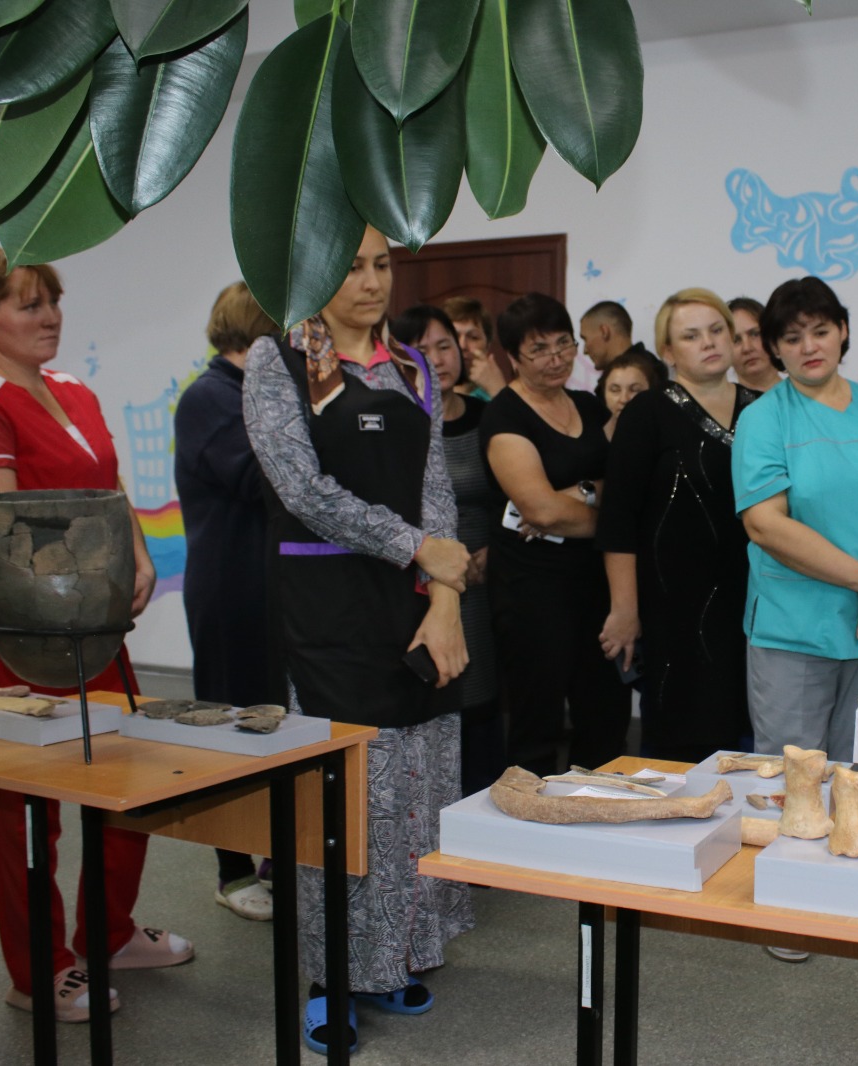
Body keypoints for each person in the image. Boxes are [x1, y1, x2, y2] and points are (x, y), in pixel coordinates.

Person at [0, 248, 191, 1024]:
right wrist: (98, 570)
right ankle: (36, 970)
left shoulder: (73, 389)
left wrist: (136, 551)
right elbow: (3, 532)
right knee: (24, 810)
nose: (50, 318)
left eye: (53, 302)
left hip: (86, 627)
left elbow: (108, 485)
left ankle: (107, 933)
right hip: (2, 636)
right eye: (29, 305)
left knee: (125, 777)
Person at [244, 226, 474, 1055]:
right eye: (351, 266)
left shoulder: (410, 366)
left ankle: (392, 957)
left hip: (413, 603)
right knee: (344, 803)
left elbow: (436, 491)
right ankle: (328, 976)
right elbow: (302, 489)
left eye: (381, 265)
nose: (372, 282)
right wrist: (415, 548)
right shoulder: (281, 360)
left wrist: (445, 599)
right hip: (329, 606)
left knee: (418, 788)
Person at [732, 276, 858, 764]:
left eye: (821, 331)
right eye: (792, 338)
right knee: (792, 777)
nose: (809, 347)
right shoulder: (764, 418)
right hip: (795, 631)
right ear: (775, 349)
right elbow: (765, 524)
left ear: (843, 331)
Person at [598, 288, 758, 762]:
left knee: (755, 745)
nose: (708, 342)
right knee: (680, 748)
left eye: (716, 330)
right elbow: (618, 517)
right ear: (668, 351)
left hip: (758, 600)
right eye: (691, 336)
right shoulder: (647, 412)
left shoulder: (765, 408)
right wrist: (624, 609)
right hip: (671, 606)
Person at [480, 293, 632, 776]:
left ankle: (600, 811)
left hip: (596, 587)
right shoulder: (504, 416)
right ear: (513, 357)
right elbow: (540, 510)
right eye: (539, 349)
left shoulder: (588, 405)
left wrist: (582, 491)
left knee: (605, 718)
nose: (556, 358)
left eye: (564, 343)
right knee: (537, 723)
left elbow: (622, 482)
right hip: (531, 593)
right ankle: (530, 817)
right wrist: (614, 522)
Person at [175, 281, 280, 922]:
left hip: (273, 588)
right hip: (230, 589)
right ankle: (232, 869)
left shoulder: (260, 392)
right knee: (230, 729)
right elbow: (258, 477)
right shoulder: (209, 397)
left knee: (276, 724)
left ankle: (273, 853)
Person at [389, 303, 506, 797]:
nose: (437, 359)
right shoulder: (396, 420)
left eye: (445, 346)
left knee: (486, 708)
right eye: (422, 349)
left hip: (488, 584)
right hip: (421, 584)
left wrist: (494, 551)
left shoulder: (487, 417)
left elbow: (513, 495)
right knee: (436, 701)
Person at [579, 299, 669, 382]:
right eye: (615, 389)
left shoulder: (648, 375)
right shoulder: (652, 370)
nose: (585, 351)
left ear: (604, 332)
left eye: (585, 339)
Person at [441, 295, 509, 399]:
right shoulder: (423, 396)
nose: (462, 346)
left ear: (487, 346)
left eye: (473, 337)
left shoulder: (496, 395)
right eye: (454, 336)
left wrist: (497, 389)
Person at [595, 348, 663, 436]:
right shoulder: (593, 440)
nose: (624, 399)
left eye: (635, 390)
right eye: (615, 390)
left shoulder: (667, 437)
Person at [728, 296, 782, 392]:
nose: (747, 348)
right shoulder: (723, 402)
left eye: (755, 334)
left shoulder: (805, 395)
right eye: (736, 340)